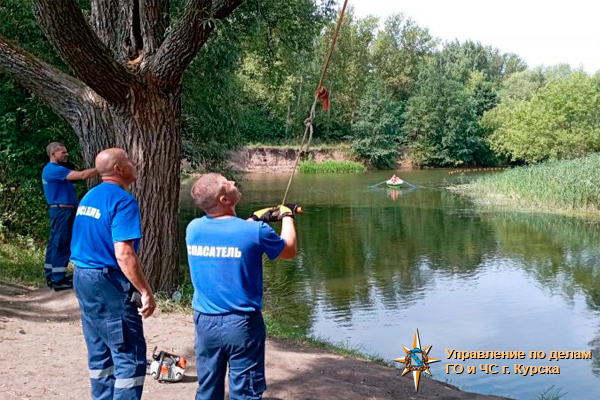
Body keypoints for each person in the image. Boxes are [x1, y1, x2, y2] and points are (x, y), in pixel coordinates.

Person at [186, 173, 297, 400]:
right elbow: (288, 250)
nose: (234, 183)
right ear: (225, 200)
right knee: (245, 391)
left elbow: (228, 233)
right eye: (228, 183)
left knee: (207, 389)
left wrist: (254, 219)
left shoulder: (193, 229)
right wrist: (287, 215)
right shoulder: (255, 233)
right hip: (242, 324)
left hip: (205, 322)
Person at [70, 148, 156, 400]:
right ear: (119, 169)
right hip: (106, 280)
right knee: (130, 355)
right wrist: (145, 291)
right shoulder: (122, 200)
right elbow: (124, 254)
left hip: (83, 277)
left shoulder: (89, 197)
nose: (134, 162)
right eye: (129, 160)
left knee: (100, 352)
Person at [42, 142, 97, 290]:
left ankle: (51, 275)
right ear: (53, 154)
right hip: (62, 211)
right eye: (63, 152)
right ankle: (58, 280)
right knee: (61, 242)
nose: (66, 155)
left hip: (60, 210)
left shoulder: (52, 170)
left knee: (55, 242)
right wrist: (104, 168)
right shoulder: (54, 170)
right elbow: (83, 175)